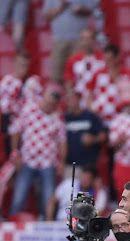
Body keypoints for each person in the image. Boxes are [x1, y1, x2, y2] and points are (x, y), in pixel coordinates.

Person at [9, 86, 66, 219]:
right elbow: (15, 131)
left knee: (48, 199)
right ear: (43, 98)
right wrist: (15, 153)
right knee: (19, 197)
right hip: (27, 161)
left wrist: (62, 162)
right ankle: (11, 225)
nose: (49, 107)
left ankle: (47, 230)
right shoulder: (29, 110)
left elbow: (62, 141)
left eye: (53, 105)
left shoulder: (57, 117)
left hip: (47, 163)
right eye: (48, 103)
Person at [43, 0, 97, 84]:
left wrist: (81, 10)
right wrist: (61, 6)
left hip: (80, 39)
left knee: (79, 72)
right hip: (59, 39)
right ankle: (59, 95)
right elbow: (47, 14)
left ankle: (77, 95)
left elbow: (91, 9)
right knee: (57, 74)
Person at [86, 44, 130, 127]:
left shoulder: (127, 74)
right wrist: (93, 111)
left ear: (117, 58)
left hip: (121, 120)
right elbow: (89, 97)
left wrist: (125, 117)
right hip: (101, 120)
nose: (108, 63)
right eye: (106, 59)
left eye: (110, 59)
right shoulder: (98, 74)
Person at [62, 88, 105, 168]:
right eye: (67, 100)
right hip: (70, 164)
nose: (69, 102)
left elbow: (103, 136)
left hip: (88, 165)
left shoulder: (90, 116)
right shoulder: (64, 118)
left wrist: (93, 139)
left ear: (78, 99)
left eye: (72, 99)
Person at [63, 28, 105, 98]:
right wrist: (71, 97)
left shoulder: (103, 58)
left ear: (94, 41)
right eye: (82, 39)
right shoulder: (73, 59)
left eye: (88, 39)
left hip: (99, 98)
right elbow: (69, 81)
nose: (85, 42)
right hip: (79, 98)